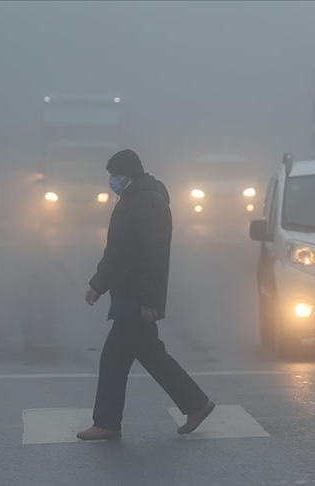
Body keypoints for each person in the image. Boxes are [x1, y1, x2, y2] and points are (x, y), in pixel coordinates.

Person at [77, 149, 215, 441]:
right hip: (126, 294)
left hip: (135, 297)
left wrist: (149, 301)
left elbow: (155, 257)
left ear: (128, 174)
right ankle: (196, 403)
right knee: (150, 355)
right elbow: (115, 251)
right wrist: (98, 283)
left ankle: (107, 423)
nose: (111, 181)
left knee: (115, 359)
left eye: (115, 175)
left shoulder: (150, 203)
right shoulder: (128, 201)